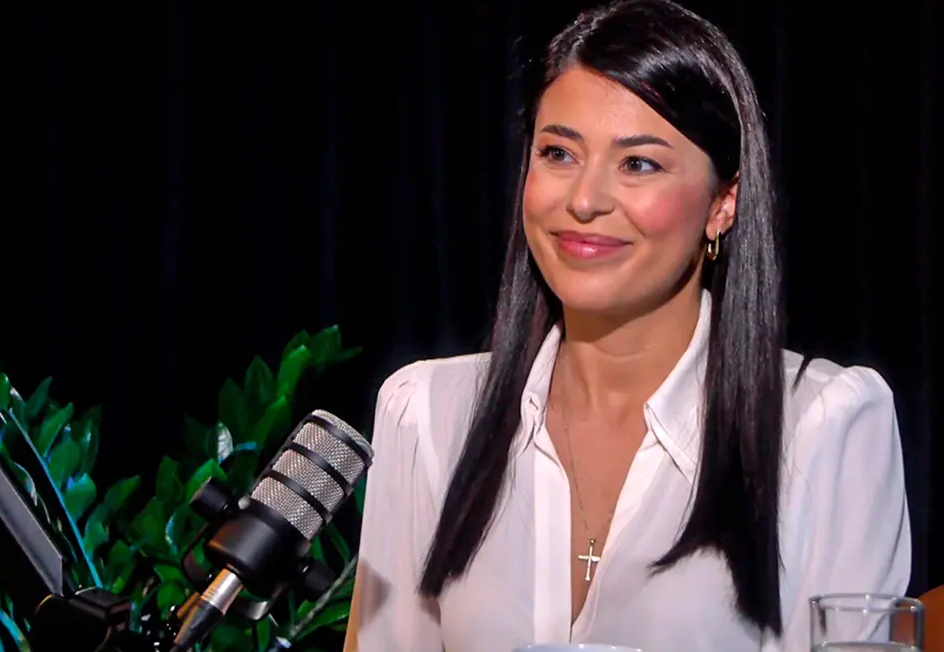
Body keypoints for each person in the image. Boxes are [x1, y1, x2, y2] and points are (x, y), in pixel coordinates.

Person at [344, 0, 910, 650]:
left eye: (637, 164)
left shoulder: (822, 422)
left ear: (722, 203)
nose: (583, 200)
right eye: (557, 153)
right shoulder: (428, 414)